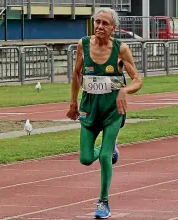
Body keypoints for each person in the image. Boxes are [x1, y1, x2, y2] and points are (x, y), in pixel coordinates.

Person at [67, 7, 143, 219]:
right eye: (97, 22)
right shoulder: (83, 44)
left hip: (113, 110)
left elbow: (137, 79)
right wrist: (73, 103)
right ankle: (107, 149)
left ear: (113, 28)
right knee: (85, 158)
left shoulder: (121, 49)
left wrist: (124, 90)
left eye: (105, 24)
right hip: (90, 108)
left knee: (104, 158)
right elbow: (76, 74)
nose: (100, 27)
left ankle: (103, 202)